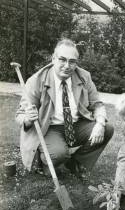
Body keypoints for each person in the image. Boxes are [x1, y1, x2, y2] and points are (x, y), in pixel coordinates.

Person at [16, 39, 114, 180]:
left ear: (76, 63)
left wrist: (99, 123)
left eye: (72, 61)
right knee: (59, 154)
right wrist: (28, 119)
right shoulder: (36, 80)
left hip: (76, 125)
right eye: (62, 60)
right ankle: (43, 161)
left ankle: (76, 162)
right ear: (53, 58)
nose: (67, 66)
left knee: (107, 128)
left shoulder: (84, 76)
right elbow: (20, 115)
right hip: (49, 128)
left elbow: (97, 104)